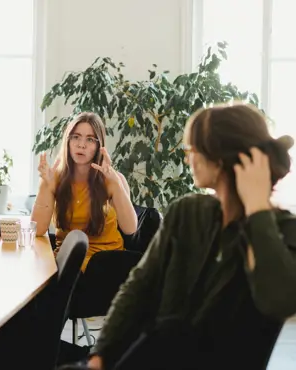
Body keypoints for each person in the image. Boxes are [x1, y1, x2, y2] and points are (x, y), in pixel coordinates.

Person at [84, 102, 296, 370]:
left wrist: (257, 209)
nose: (187, 158)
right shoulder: (187, 212)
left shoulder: (283, 229)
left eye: (192, 149)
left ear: (219, 158)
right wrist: (100, 355)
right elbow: (139, 286)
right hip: (152, 356)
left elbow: (278, 301)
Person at [31, 112, 138, 272]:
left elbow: (130, 229)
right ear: (67, 141)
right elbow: (38, 230)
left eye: (90, 139)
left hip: (105, 265)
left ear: (99, 146)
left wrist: (116, 184)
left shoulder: (113, 179)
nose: (81, 145)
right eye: (75, 137)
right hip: (68, 262)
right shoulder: (55, 178)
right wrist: (45, 186)